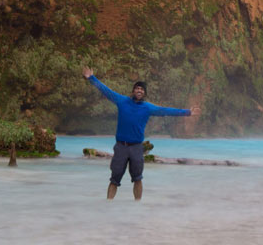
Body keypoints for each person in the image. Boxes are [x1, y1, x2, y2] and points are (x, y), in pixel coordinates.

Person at [82, 66, 196, 200]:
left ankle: (138, 207)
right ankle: (108, 205)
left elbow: (165, 110)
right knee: (114, 179)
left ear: (144, 93)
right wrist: (91, 78)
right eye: (137, 88)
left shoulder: (148, 108)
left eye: (142, 89)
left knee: (137, 179)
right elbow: (106, 91)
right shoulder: (122, 101)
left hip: (136, 147)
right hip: (121, 147)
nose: (139, 90)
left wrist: (187, 112)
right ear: (133, 91)